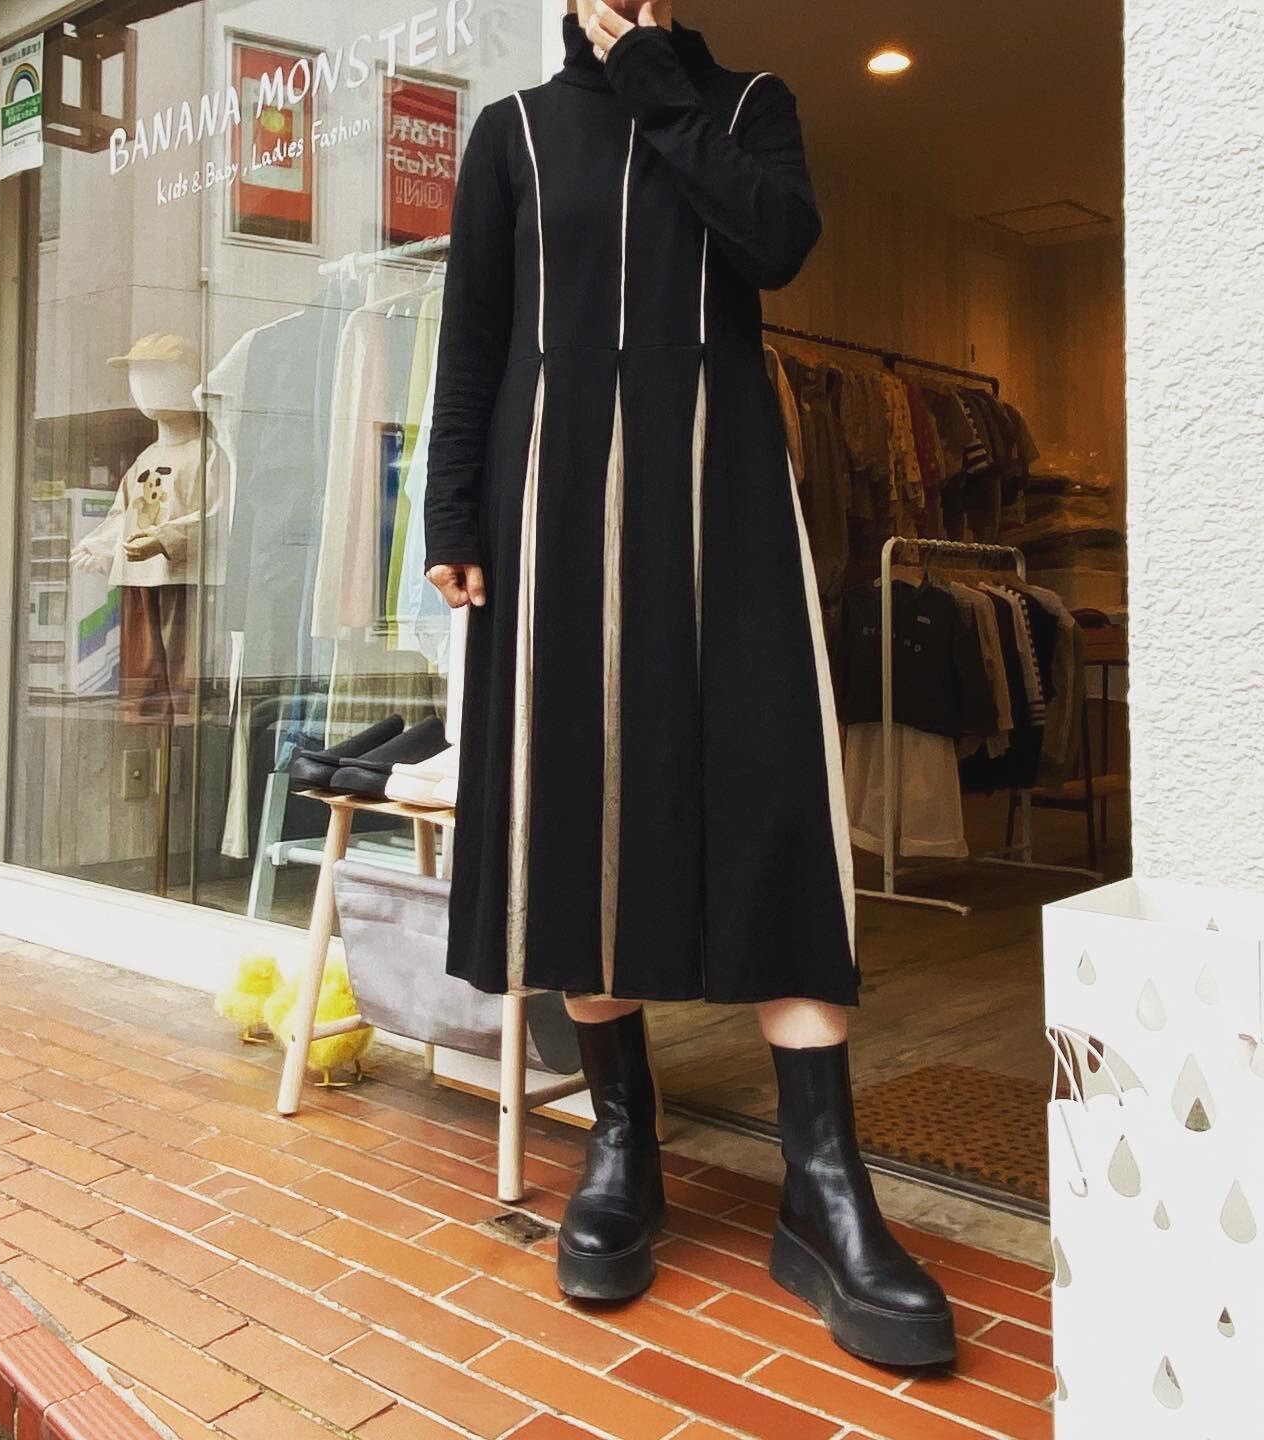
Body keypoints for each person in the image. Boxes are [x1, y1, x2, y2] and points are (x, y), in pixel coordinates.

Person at [424, 0, 954, 1368]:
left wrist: (655, 80)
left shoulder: (748, 105)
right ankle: (624, 1142)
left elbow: (776, 243)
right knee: (582, 800)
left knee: (774, 793)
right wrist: (452, 516)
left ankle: (823, 1184)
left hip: (723, 495)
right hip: (552, 504)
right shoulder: (511, 135)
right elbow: (472, 338)